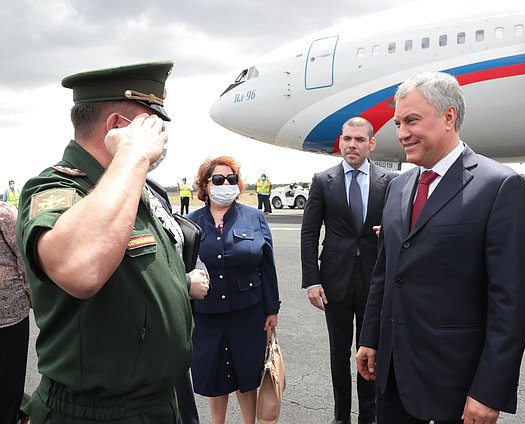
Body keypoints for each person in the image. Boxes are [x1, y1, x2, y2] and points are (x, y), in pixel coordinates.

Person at [15, 61, 193, 423]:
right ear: (116, 126)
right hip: (95, 413)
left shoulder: (129, 188)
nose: (162, 140)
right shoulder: (57, 189)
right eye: (152, 127)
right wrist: (133, 155)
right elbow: (80, 268)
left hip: (156, 404)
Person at [356, 72, 525, 424]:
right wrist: (371, 337)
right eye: (397, 123)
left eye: (411, 120)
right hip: (392, 377)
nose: (401, 132)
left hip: (454, 385)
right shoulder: (398, 187)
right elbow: (386, 272)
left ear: (449, 117)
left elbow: (511, 301)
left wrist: (489, 390)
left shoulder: (499, 186)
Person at [301, 117, 396, 424]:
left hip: (374, 280)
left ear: (371, 144)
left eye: (359, 139)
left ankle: (369, 417)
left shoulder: (389, 181)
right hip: (334, 281)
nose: (352, 145)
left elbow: (399, 227)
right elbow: (309, 232)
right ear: (339, 143)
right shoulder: (323, 180)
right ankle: (341, 416)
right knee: (339, 355)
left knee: (369, 352)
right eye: (347, 139)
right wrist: (311, 280)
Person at [187, 156, 281, 424]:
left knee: (247, 375)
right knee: (214, 377)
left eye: (231, 179)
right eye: (218, 179)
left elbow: (267, 265)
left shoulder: (254, 217)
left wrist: (272, 308)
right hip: (207, 314)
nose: (225, 184)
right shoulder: (190, 222)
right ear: (205, 185)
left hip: (248, 312)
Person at [145, 177, 209, 424]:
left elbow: (176, 240)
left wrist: (198, 268)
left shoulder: (153, 188)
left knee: (183, 411)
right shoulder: (109, 192)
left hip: (173, 330)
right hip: (144, 335)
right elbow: (131, 270)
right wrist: (185, 282)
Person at [0, 202, 30, 424]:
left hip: (10, 314)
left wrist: (32, 296)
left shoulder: (5, 214)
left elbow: (24, 257)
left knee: (10, 378)